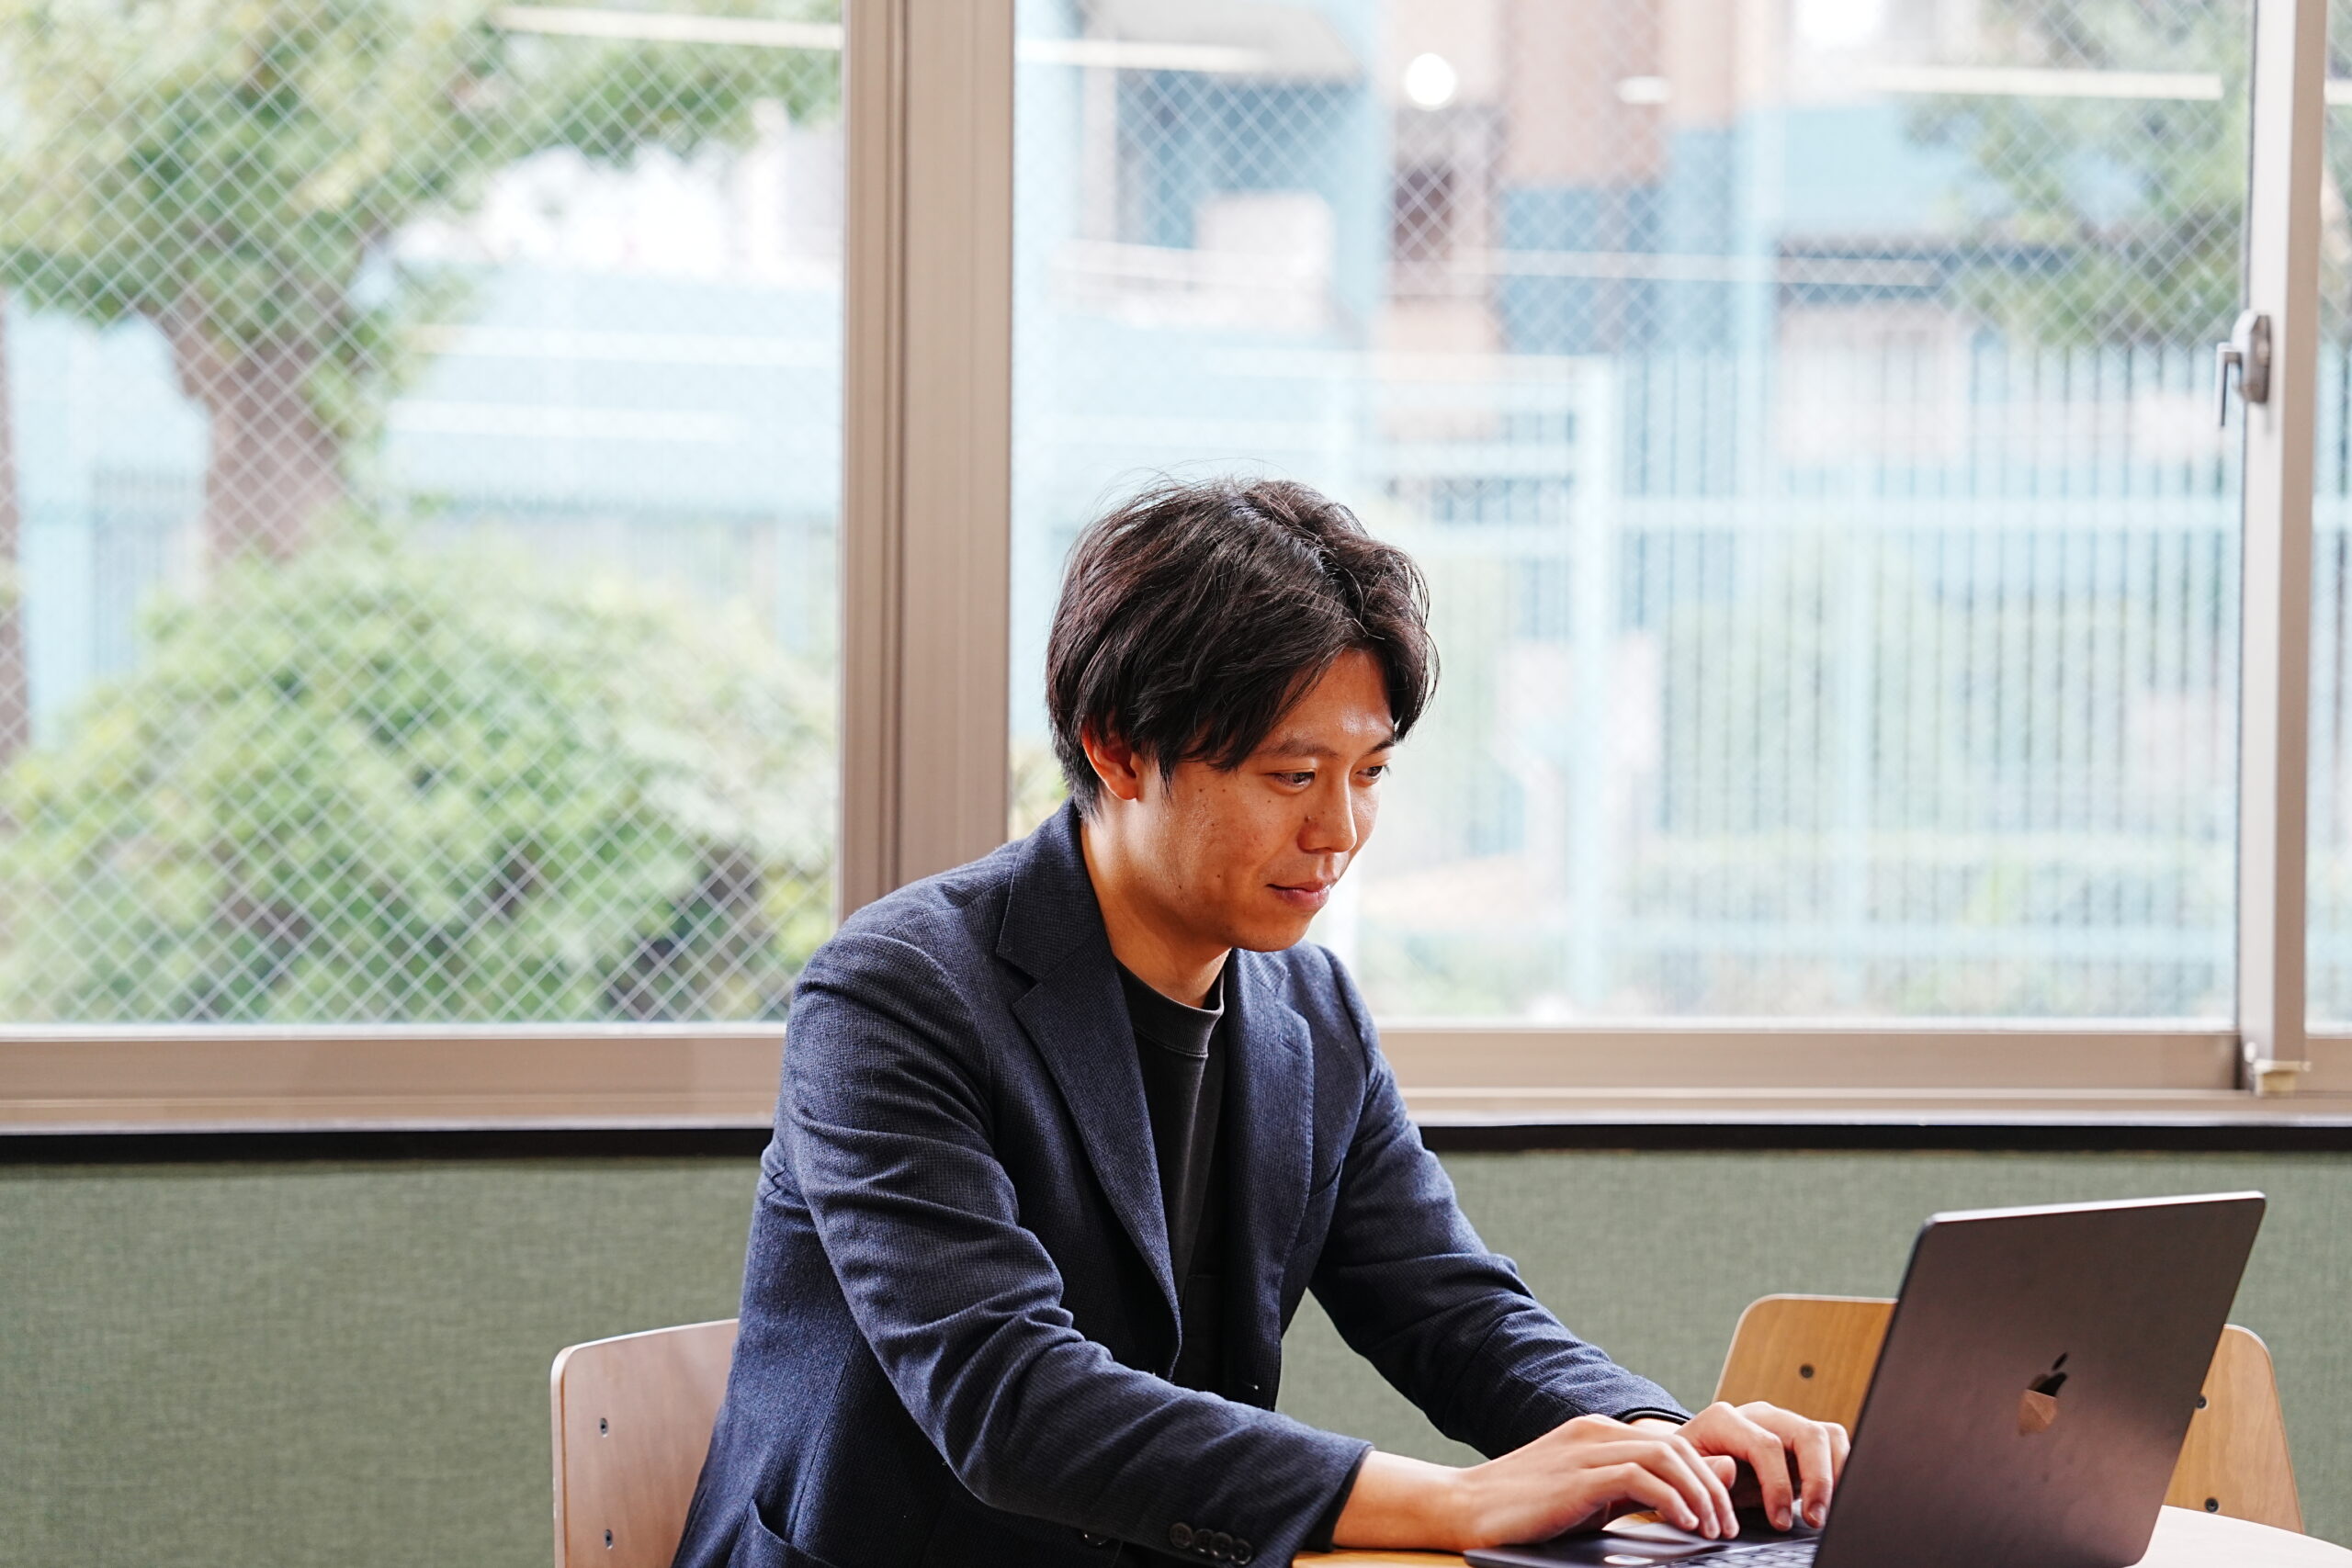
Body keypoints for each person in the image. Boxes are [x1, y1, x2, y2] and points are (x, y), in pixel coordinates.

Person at [673, 479, 1849, 1568]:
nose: (1339, 831)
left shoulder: (1309, 1009)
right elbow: (1007, 1397)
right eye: (1293, 776)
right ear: (1117, 747)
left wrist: (1658, 1444)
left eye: (1369, 774)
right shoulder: (896, 992)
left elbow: (1447, 1307)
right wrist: (1449, 1500)